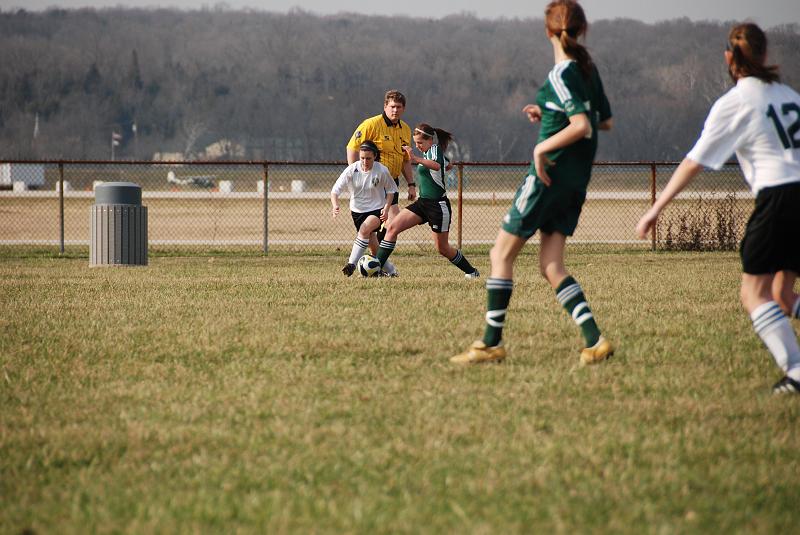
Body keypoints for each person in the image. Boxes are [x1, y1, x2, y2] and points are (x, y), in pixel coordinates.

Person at [636, 23, 800, 394]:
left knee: (754, 295)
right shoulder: (790, 95)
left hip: (778, 198)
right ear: (764, 55)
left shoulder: (736, 102)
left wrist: (656, 208)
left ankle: (796, 371)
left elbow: (694, 162)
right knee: (784, 296)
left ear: (730, 58)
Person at [451, 0, 613, 365]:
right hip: (575, 183)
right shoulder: (589, 70)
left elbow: (582, 126)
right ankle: (595, 341)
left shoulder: (562, 73)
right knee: (551, 265)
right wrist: (550, 113)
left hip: (547, 177)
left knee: (500, 254)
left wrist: (542, 147)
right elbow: (603, 121)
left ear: (548, 31)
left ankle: (491, 343)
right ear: (582, 29)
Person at [373, 123, 480, 278]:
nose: (417, 146)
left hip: (438, 206)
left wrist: (416, 159)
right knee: (392, 228)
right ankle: (375, 269)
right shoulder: (429, 152)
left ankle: (471, 272)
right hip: (423, 203)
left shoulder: (435, 150)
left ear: (430, 140)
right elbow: (447, 164)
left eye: (420, 143)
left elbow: (437, 165)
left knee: (442, 248)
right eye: (415, 143)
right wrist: (446, 165)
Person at [346, 90, 416, 274]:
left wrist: (411, 183)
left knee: (391, 226)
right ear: (385, 106)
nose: (395, 110)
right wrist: (356, 174)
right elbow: (352, 147)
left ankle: (377, 265)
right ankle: (382, 267)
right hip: (372, 185)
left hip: (391, 184)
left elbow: (405, 160)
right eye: (392, 106)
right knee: (378, 229)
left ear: (403, 109)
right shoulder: (371, 124)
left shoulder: (405, 129)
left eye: (398, 107)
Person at [331, 141, 398, 276]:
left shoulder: (382, 170)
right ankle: (391, 272)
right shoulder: (352, 169)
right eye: (362, 158)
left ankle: (351, 264)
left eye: (368, 158)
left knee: (364, 229)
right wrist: (335, 204)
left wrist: (386, 209)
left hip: (375, 211)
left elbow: (391, 190)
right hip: (357, 212)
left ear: (374, 156)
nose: (365, 161)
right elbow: (335, 190)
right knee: (374, 250)